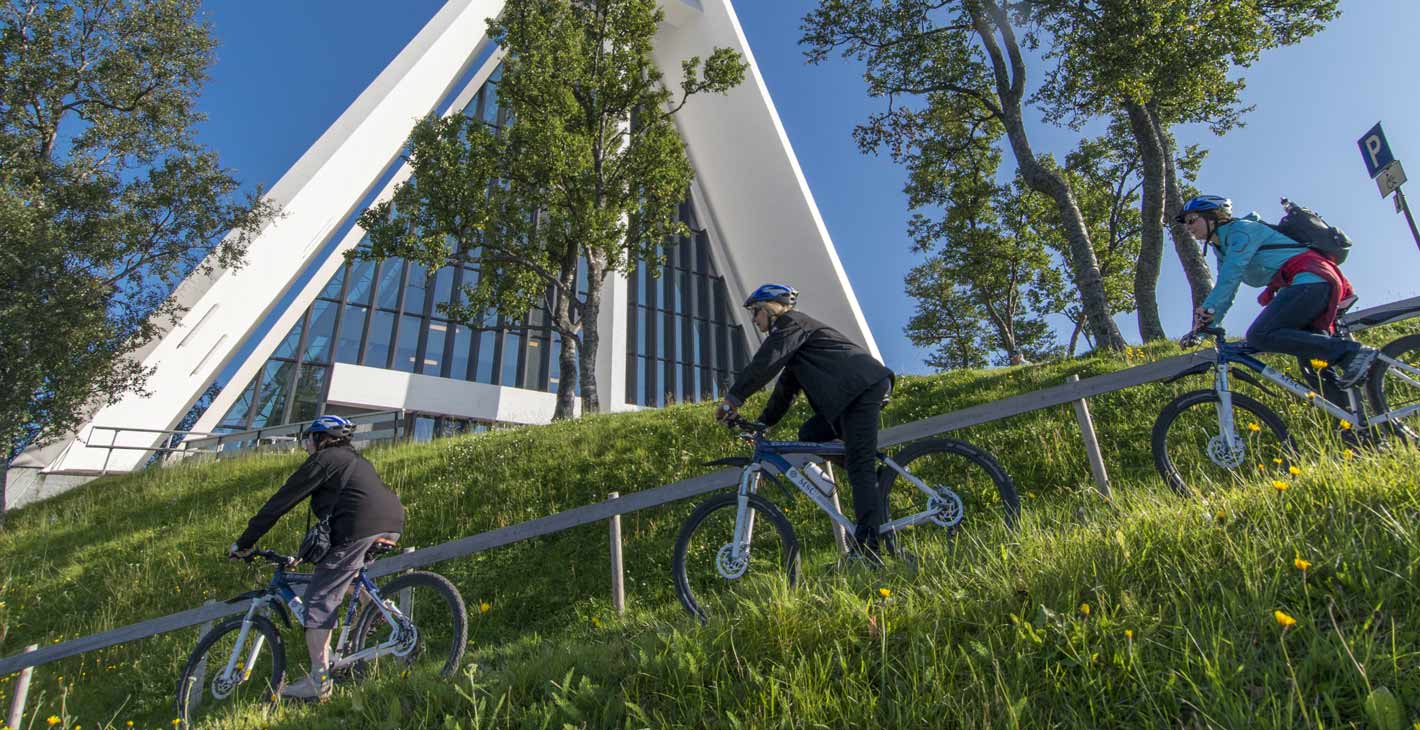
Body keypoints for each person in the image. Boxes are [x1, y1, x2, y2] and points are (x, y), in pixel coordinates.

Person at [227, 415, 405, 701]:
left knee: (319, 600)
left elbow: (279, 503)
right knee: (344, 575)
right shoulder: (356, 461)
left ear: (320, 438)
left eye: (308, 438)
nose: (306, 445)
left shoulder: (324, 460)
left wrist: (244, 542)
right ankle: (375, 608)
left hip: (359, 528)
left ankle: (318, 681)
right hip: (391, 522)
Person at [715, 283, 896, 563]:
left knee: (860, 465)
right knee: (810, 432)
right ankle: (873, 478)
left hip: (862, 388)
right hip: (847, 398)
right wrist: (762, 424)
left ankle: (868, 547)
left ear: (770, 309)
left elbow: (766, 362)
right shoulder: (797, 344)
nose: (754, 320)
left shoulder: (792, 323)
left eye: (755, 313)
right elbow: (785, 390)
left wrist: (733, 399)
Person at [1179, 195, 1378, 391]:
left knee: (1259, 334)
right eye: (1185, 223)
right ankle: (1347, 409)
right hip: (1308, 283)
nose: (1187, 227)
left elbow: (1229, 278)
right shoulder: (1221, 248)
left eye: (1191, 220)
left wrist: (1207, 310)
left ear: (1214, 215)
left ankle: (1353, 353)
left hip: (1312, 278)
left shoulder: (1242, 230)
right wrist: (1204, 327)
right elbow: (1227, 292)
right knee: (1315, 366)